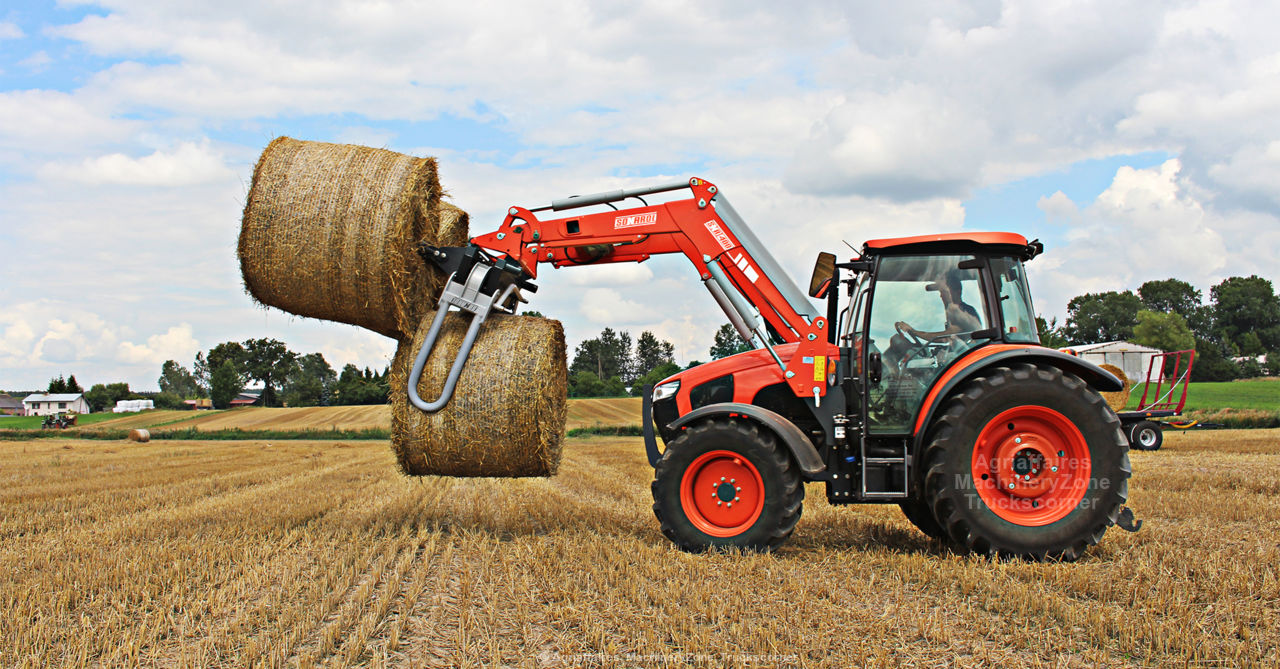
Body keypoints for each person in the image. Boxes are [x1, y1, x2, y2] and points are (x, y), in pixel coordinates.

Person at [884, 270, 982, 371]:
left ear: (958, 291)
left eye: (944, 292)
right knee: (902, 345)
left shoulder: (963, 312)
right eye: (940, 292)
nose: (941, 296)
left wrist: (913, 331)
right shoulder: (953, 312)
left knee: (903, 348)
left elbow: (945, 337)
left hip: (965, 360)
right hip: (957, 356)